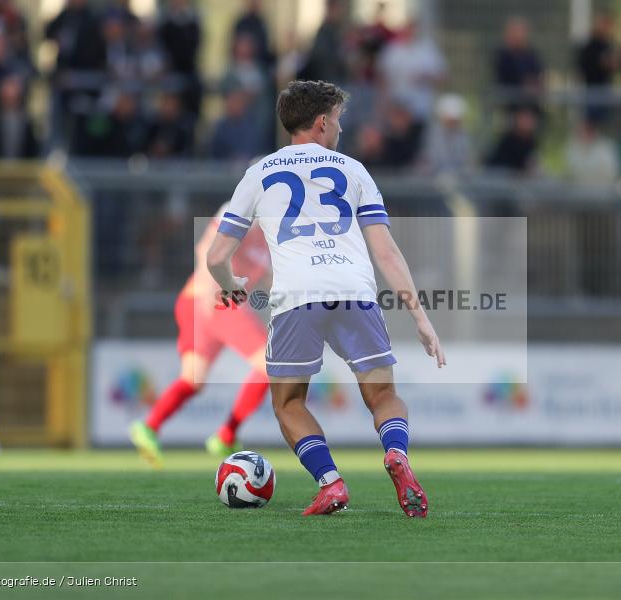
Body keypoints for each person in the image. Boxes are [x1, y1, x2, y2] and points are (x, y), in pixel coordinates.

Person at [206, 80, 445, 517]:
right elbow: (386, 252)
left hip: (297, 298)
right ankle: (396, 454)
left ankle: (331, 482)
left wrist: (231, 284)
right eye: (337, 120)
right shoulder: (354, 170)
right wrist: (420, 317)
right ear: (320, 122)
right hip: (355, 291)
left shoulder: (258, 174)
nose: (339, 128)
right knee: (383, 395)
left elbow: (217, 256)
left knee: (288, 403)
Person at [130, 211, 272, 468]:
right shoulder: (250, 209)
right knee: (271, 364)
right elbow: (208, 245)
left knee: (192, 379)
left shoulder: (275, 235)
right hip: (215, 299)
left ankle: (149, 426)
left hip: (201, 301)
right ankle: (226, 436)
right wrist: (211, 287)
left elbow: (271, 280)